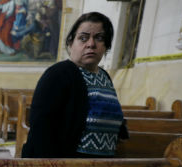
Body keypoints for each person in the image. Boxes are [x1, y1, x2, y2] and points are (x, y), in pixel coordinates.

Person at [21, 11, 128, 158]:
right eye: (83, 38)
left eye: (99, 38)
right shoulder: (58, 74)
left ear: (106, 45)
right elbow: (41, 130)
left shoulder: (104, 76)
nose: (91, 44)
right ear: (71, 43)